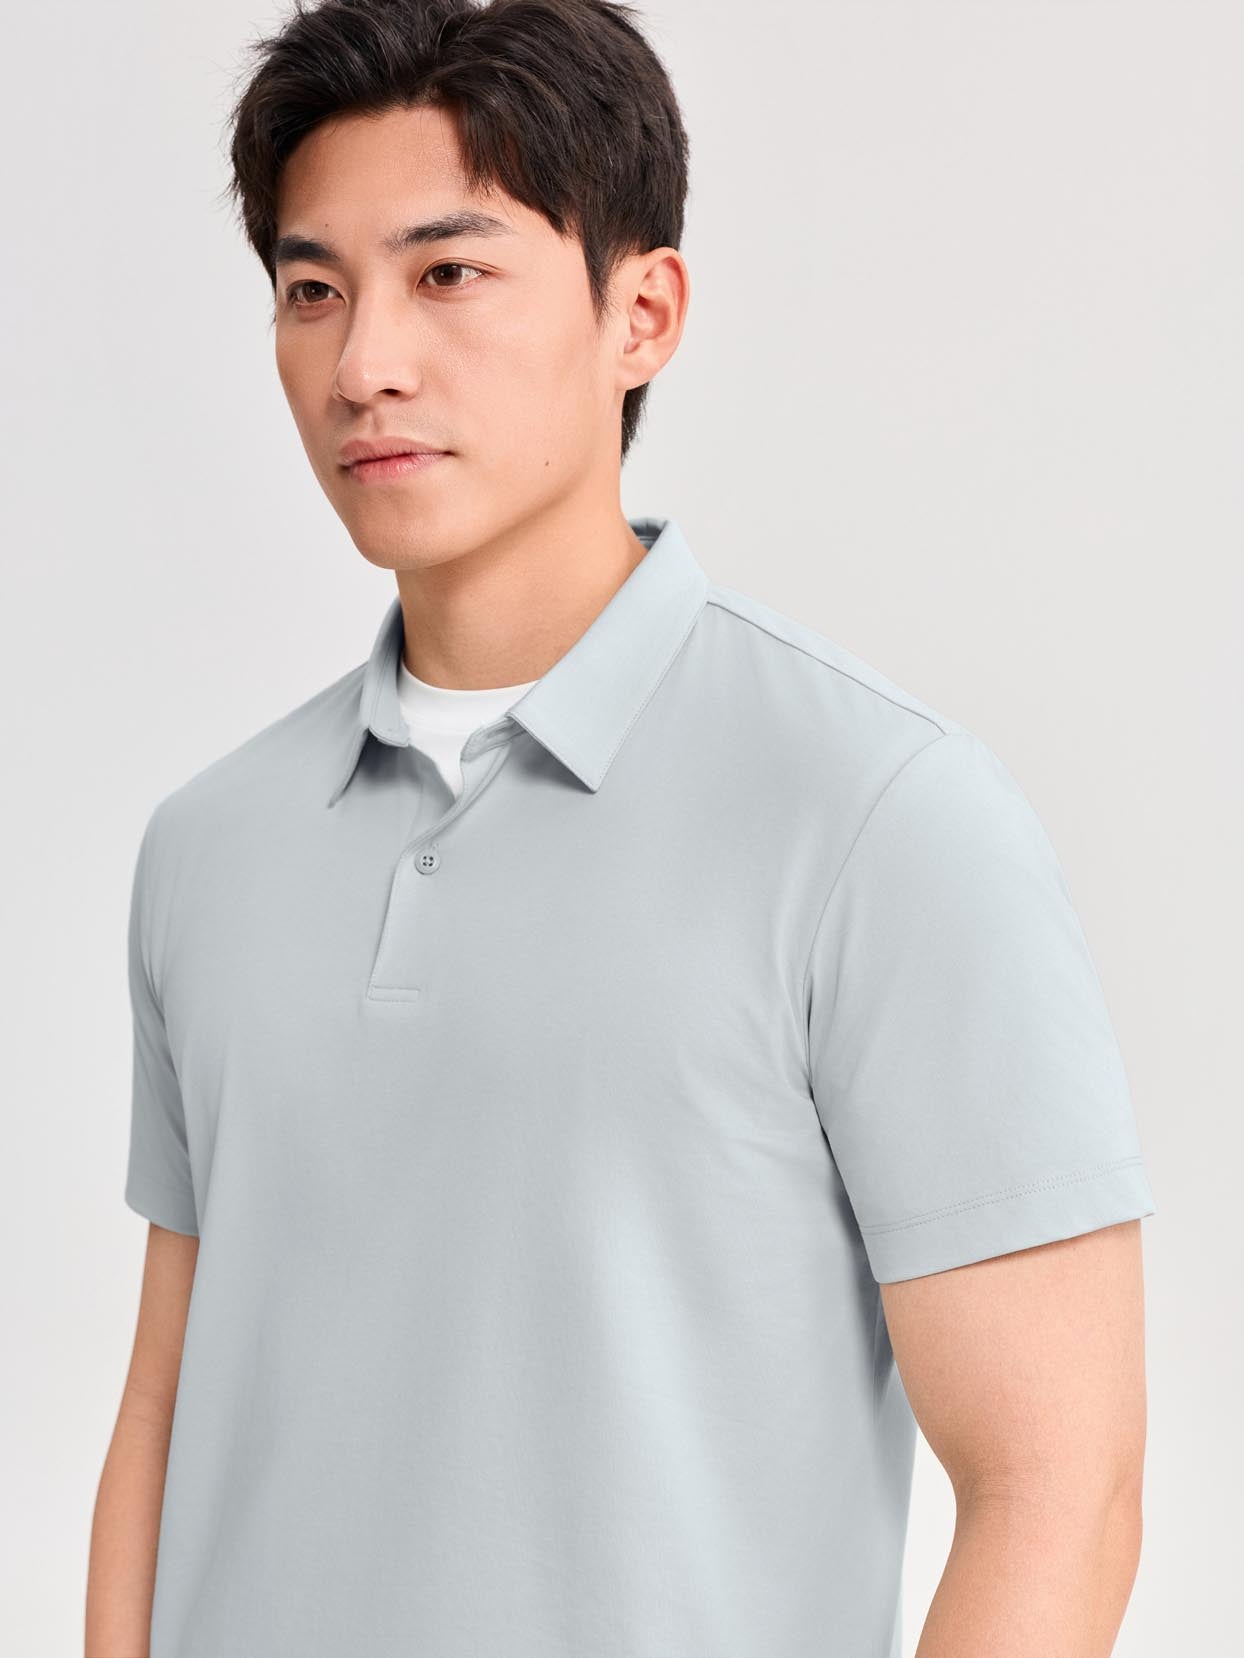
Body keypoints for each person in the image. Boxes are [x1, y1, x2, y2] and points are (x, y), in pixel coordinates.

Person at [85, 2, 1157, 1654]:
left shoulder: (881, 817)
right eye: (314, 290)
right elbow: (168, 1404)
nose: (366, 361)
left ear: (640, 312)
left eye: (449, 272)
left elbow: (1059, 1485)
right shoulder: (207, 849)